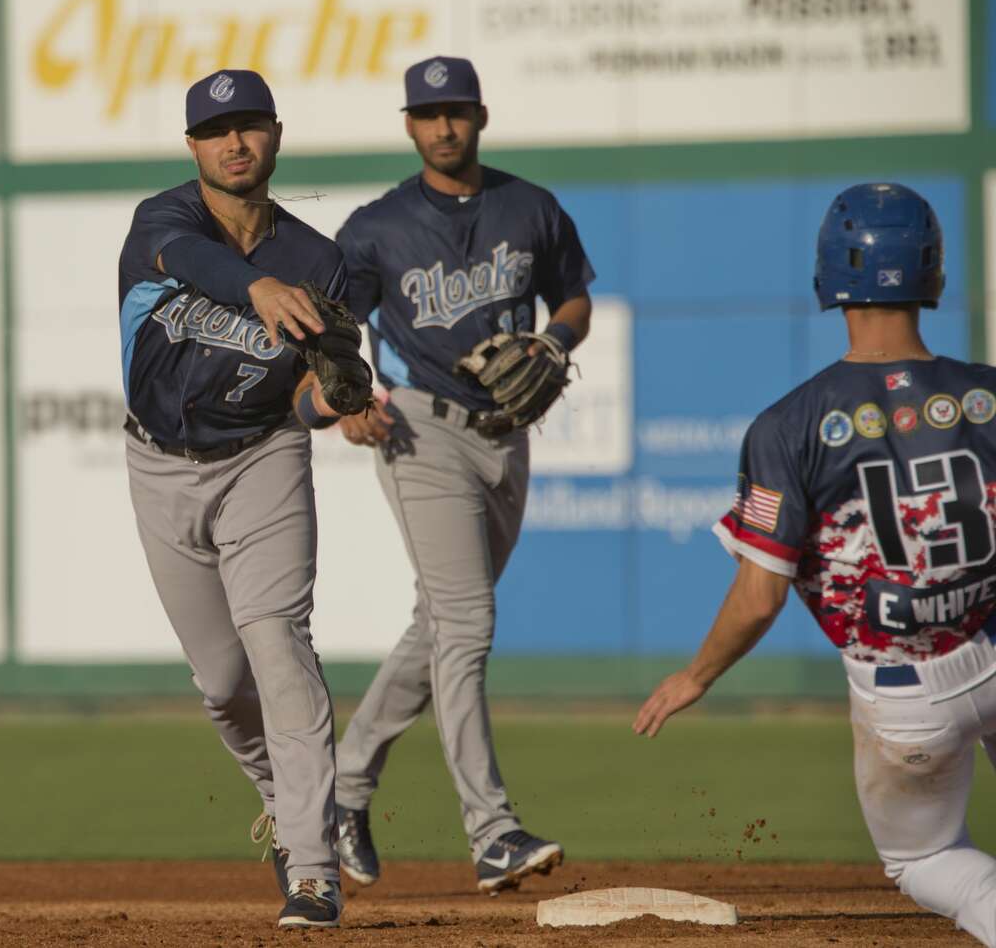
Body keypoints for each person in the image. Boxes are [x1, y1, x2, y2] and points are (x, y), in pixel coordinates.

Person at [635, 183, 996, 947]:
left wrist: (695, 675)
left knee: (927, 856)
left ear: (829, 277)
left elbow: (760, 596)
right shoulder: (989, 397)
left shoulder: (789, 425)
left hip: (907, 697)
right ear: (932, 273)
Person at [331, 56, 594, 894]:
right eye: (428, 113)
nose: (443, 126)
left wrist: (555, 341)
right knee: (469, 624)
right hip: (420, 430)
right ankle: (492, 831)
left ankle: (342, 789)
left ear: (481, 116)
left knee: (441, 625)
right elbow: (334, 328)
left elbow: (575, 298)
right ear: (409, 126)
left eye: (456, 111)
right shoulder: (376, 226)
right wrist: (349, 398)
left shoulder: (531, 208)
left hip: (507, 436)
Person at [118, 68, 358, 929]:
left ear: (276, 137)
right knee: (222, 682)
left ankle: (314, 867)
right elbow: (185, 262)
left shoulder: (321, 262)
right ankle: (291, 807)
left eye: (250, 126)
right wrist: (253, 287)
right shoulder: (164, 219)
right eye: (217, 130)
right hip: (156, 464)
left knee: (277, 645)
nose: (235, 142)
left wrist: (329, 403)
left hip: (262, 458)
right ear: (193, 147)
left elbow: (304, 397)